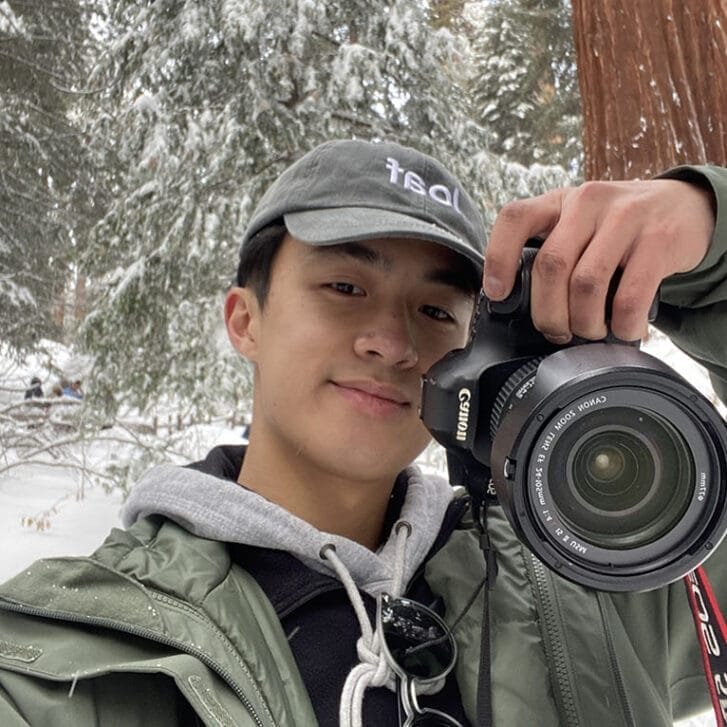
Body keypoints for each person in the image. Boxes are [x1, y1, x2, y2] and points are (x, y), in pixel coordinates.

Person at [0, 139, 725, 727]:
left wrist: (710, 238)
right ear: (244, 320)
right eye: (345, 288)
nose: (391, 342)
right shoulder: (72, 654)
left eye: (437, 311)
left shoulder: (599, 570)